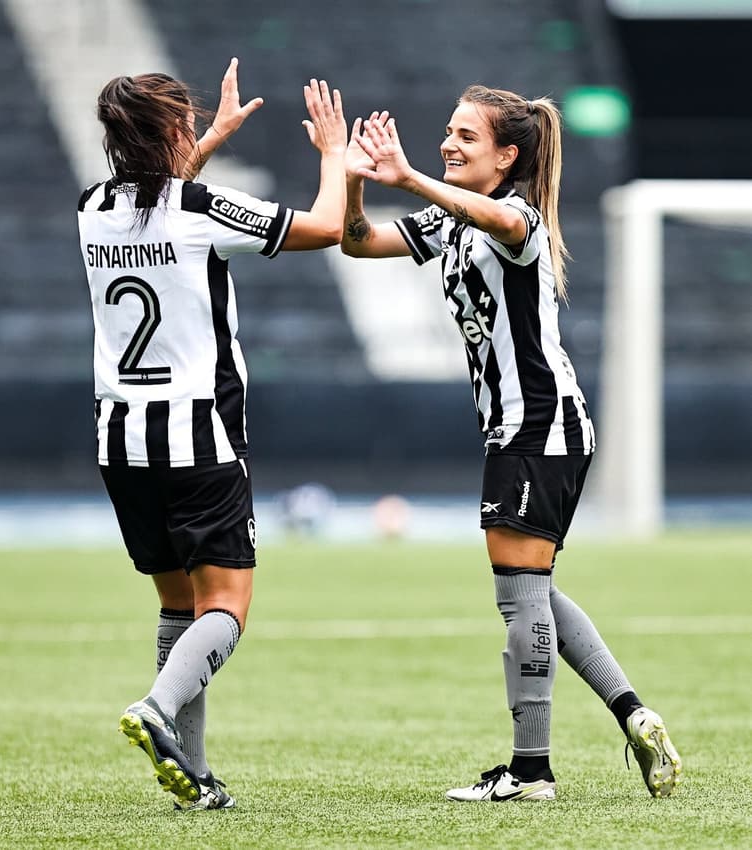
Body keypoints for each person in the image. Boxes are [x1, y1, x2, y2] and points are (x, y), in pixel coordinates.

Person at [341, 86, 681, 801]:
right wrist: (352, 181)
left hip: (540, 427)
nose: (448, 142)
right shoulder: (449, 219)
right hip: (523, 431)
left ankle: (530, 772)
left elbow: (499, 219)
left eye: (467, 136)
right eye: (448, 130)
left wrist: (408, 177)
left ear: (507, 156)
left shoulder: (517, 215)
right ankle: (633, 713)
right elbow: (359, 242)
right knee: (534, 590)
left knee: (519, 596)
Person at [77, 59, 347, 809]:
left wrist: (210, 140)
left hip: (121, 442)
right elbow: (326, 227)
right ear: (172, 128)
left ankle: (192, 778)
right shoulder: (202, 209)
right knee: (226, 607)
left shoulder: (91, 208)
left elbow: (157, 201)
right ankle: (158, 709)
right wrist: (334, 154)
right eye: (188, 121)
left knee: (177, 607)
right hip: (201, 439)